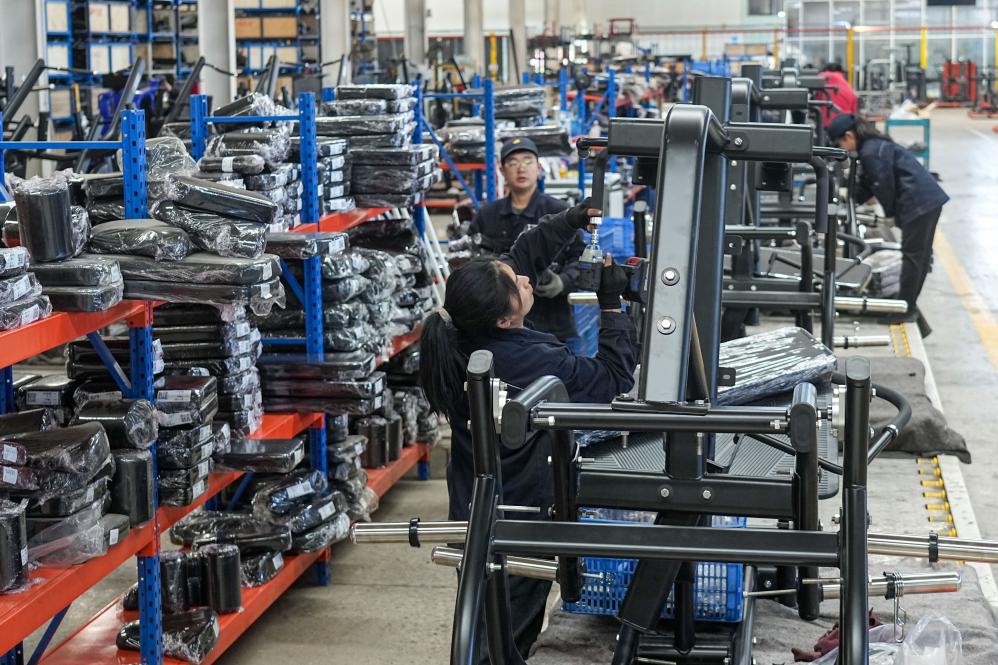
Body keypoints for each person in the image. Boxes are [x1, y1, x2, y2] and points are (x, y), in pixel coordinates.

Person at [420, 199, 639, 659]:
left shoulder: (465, 330)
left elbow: (523, 255)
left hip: (474, 507)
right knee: (505, 637)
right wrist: (612, 307)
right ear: (505, 318)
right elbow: (613, 377)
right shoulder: (533, 362)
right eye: (517, 283)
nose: (526, 279)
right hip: (519, 520)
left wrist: (568, 221)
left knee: (482, 618)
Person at [828, 113, 948, 326]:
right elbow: (870, 183)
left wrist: (890, 213)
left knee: (913, 258)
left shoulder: (870, 152)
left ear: (849, 136)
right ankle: (907, 306)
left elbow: (883, 184)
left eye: (840, 144)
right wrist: (850, 195)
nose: (843, 149)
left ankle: (904, 309)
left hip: (919, 203)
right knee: (918, 257)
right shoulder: (873, 146)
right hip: (926, 201)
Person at [467, 136, 583, 341]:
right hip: (501, 328)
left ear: (538, 168)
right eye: (513, 163)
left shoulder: (560, 213)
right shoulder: (487, 215)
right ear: (502, 171)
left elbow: (581, 258)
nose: (521, 168)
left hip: (552, 326)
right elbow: (473, 266)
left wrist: (562, 282)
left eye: (528, 161)